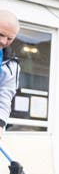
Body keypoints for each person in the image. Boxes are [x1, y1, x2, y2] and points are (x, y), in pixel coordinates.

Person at [0, 10, 20, 139]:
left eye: (9, 38)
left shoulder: (11, 65)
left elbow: (5, 97)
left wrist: (0, 123)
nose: (3, 41)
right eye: (0, 34)